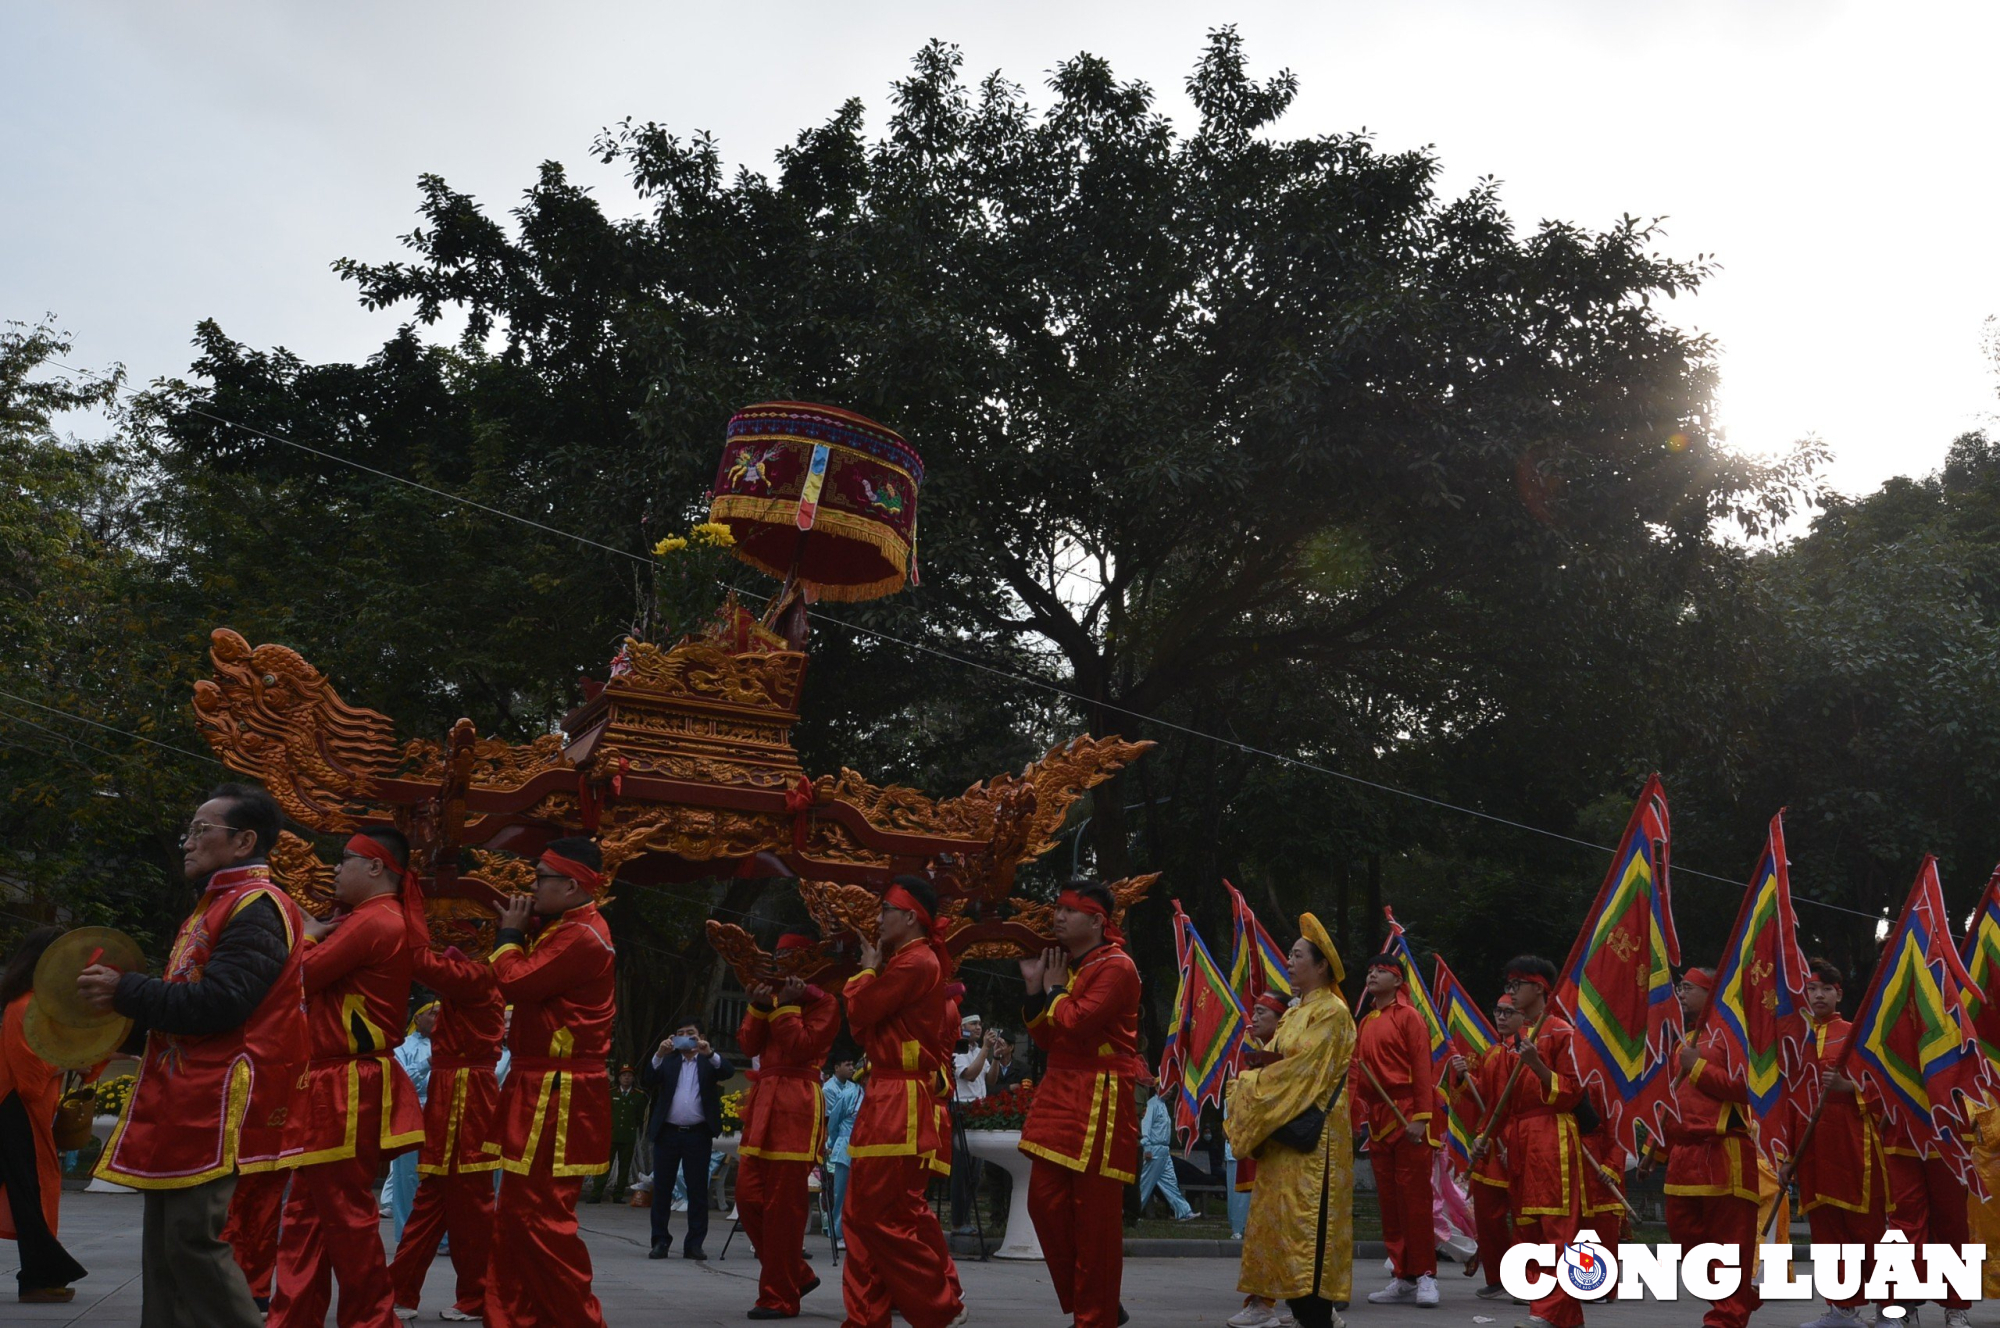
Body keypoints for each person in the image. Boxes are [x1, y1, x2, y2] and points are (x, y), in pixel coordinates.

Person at [81, 783, 309, 1328]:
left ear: (244, 840)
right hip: (187, 1094)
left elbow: (223, 1003)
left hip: (219, 1098)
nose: (188, 841)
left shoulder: (257, 906)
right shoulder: (215, 906)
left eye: (201, 830)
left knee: (191, 1240)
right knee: (163, 1246)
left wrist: (127, 991)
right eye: (191, 830)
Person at [267, 827, 427, 1328]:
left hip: (344, 1082)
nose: (336, 869)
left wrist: (308, 935)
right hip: (333, 1080)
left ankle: (373, 1320)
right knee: (309, 1215)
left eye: (346, 859)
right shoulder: (367, 919)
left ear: (377, 867)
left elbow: (296, 978)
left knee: (343, 1213)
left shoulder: (373, 921)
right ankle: (294, 1316)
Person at [485, 837, 617, 1328]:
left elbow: (516, 982)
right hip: (536, 1083)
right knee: (516, 1214)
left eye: (541, 878)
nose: (532, 886)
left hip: (558, 1093)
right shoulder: (565, 927)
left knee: (544, 1219)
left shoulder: (583, 936)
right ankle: (514, 1315)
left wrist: (508, 935)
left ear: (572, 884)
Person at [839, 875, 965, 1328]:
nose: (878, 919)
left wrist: (867, 971)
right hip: (885, 1097)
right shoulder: (909, 960)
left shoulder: (914, 963)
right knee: (859, 1215)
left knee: (881, 1216)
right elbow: (862, 1025)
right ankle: (866, 1317)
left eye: (885, 910)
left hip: (900, 1103)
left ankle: (939, 1305)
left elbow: (859, 1012)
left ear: (911, 916)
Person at [1228, 913, 1356, 1328]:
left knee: (1307, 1238)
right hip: (1285, 1137)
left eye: (1298, 955)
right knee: (1282, 1232)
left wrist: (1248, 1085)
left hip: (1314, 1145)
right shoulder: (1296, 1010)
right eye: (1289, 953)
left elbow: (1301, 1074)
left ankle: (1318, 1316)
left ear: (1321, 966)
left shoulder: (1332, 1013)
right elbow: (1283, 1063)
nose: (1289, 961)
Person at [389, 942, 507, 1323]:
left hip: (472, 1101)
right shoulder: (460, 990)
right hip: (443, 1100)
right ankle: (400, 1293)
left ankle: (475, 1297)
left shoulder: (480, 979)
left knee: (474, 1209)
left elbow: (427, 967)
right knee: (427, 1205)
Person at [1636, 968, 1758, 1328]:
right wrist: (1653, 1150)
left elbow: (1747, 1089)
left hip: (1725, 1150)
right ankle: (1739, 1297)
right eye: (1680, 988)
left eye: (1688, 988)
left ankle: (1726, 1317)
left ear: (1711, 993)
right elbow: (1671, 1104)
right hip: (1683, 1157)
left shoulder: (1733, 1038)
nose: (1681, 994)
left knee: (1729, 1244)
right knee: (1688, 1241)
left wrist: (1698, 1066)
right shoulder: (1681, 1042)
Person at [1471, 955, 1587, 1328]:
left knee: (1557, 1226)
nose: (1511, 993)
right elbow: (1500, 1102)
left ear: (1538, 987)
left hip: (1551, 1133)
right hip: (1519, 1137)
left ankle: (1553, 1312)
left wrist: (1538, 1065)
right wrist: (1484, 1137)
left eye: (1516, 985)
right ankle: (1551, 1312)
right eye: (1508, 985)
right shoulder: (1514, 1043)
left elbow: (1572, 1093)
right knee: (1528, 1228)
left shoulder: (1561, 1033)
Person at [737, 935, 842, 1320]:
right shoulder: (775, 1000)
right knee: (747, 1198)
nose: (783, 965)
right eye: (778, 958)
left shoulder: (826, 1003)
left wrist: (789, 1006)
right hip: (764, 1101)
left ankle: (779, 1297)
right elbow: (748, 1041)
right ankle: (796, 1273)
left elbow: (800, 1046)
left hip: (797, 1103)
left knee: (784, 1209)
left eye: (792, 958)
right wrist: (759, 1006)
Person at [0, 927, 94, 1303]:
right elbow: (29, 1075)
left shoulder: (39, 1005)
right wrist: (76, 1060)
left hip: (25, 1109)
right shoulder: (23, 1006)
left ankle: (39, 1276)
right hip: (16, 1109)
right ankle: (39, 1278)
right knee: (31, 1191)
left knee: (28, 1191)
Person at [1353, 953, 1441, 1308]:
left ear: (1398, 980)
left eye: (1381, 971)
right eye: (1370, 969)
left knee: (1414, 1200)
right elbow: (1358, 1075)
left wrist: (1422, 1116)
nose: (1372, 974)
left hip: (1407, 1114)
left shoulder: (1410, 1018)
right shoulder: (1366, 1022)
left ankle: (1425, 1276)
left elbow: (1422, 1069)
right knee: (1389, 1203)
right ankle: (1402, 1274)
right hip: (1377, 1118)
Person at [1446, 992, 1522, 1303]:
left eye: (1508, 1011)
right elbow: (1487, 1099)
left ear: (1523, 1016)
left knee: (1523, 1217)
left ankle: (1527, 1279)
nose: (1501, 1017)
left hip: (1521, 1141)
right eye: (1498, 1011)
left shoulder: (1529, 1052)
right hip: (1491, 1141)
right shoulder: (1492, 1054)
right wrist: (1464, 1077)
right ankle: (1497, 1276)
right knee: (1489, 1217)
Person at [641, 1014, 729, 1259]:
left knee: (698, 1189)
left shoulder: (708, 1061)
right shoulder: (668, 1061)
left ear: (700, 1037)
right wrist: (658, 1053)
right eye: (680, 1033)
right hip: (667, 1134)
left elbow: (728, 1072)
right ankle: (660, 1241)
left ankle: (694, 1243)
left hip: (697, 1135)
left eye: (690, 1033)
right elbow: (648, 1078)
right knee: (662, 1188)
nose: (685, 1038)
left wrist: (709, 1053)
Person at [1225, 992, 1289, 1328]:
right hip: (1265, 1147)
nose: (1254, 1018)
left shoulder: (1289, 1048)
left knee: (1283, 1227)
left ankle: (1276, 1302)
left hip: (1288, 1147)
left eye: (1262, 1012)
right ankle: (1289, 1302)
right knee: (1269, 1227)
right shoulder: (1258, 1052)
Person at [386, 998, 438, 1240]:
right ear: (418, 1018)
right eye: (433, 1014)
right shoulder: (402, 1046)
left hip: (439, 1112)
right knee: (407, 1177)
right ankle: (408, 1233)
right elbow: (402, 1079)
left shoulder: (449, 1044)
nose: (438, 1019)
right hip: (411, 1111)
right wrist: (427, 1064)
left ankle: (440, 1235)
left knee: (437, 1175)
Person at [949, 1014, 994, 1233]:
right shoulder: (957, 1050)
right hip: (962, 1110)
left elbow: (990, 1079)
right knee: (962, 1167)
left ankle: (965, 1219)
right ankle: (958, 1221)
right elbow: (970, 1075)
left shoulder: (978, 1050)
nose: (979, 1027)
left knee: (975, 1171)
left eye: (979, 1023)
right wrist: (986, 1048)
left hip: (979, 1109)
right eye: (974, 1024)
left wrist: (997, 1056)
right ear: (962, 1027)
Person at [1138, 1081, 1196, 1220]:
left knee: (1170, 1181)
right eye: (1166, 1088)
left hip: (1164, 1149)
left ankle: (1183, 1211)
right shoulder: (1152, 1105)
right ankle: (1131, 1212)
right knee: (1145, 1182)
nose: (1169, 1091)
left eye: (1171, 1089)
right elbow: (1145, 1126)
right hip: (1154, 1148)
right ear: (1157, 1088)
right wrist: (1146, 1147)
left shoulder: (1162, 1105)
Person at [822, 1052, 863, 1250]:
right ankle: (837, 1233)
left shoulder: (877, 1094)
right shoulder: (848, 1094)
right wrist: (835, 1141)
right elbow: (833, 1122)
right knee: (842, 1192)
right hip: (846, 1145)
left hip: (866, 1146)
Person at [591, 1065, 646, 1203]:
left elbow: (639, 1117)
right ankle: (596, 1194)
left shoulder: (639, 1095)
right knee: (604, 1165)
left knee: (624, 1166)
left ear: (633, 1078)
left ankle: (618, 1195)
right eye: (623, 1076)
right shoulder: (611, 1093)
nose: (626, 1078)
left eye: (629, 1076)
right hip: (611, 1134)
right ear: (619, 1078)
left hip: (628, 1135)